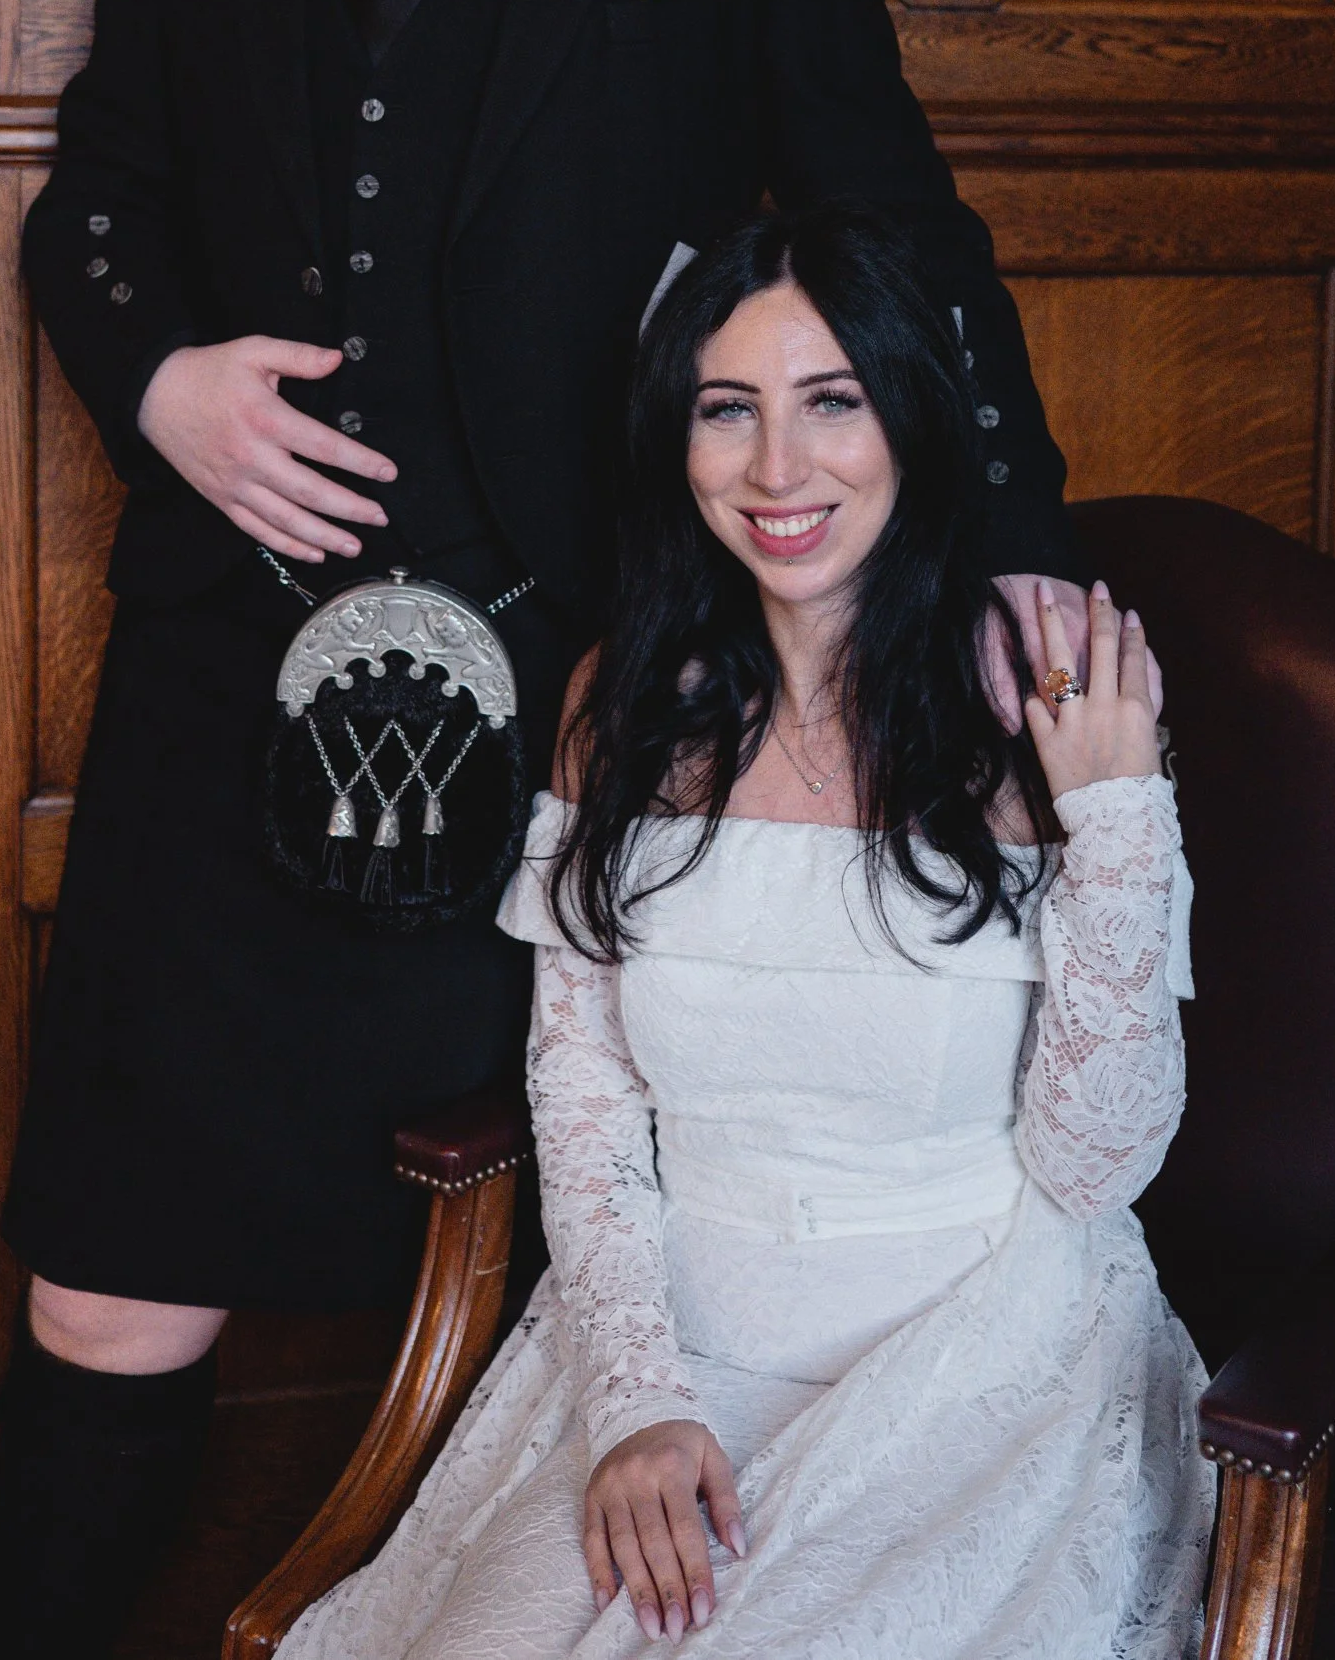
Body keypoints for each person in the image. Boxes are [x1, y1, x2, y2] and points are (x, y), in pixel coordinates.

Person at [0, 0, 1098, 1656]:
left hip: (597, 695)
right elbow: (93, 203)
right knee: (105, 1299)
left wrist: (1013, 544)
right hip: (225, 683)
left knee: (574, 1295)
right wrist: (162, 382)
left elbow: (887, 221)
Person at [282, 203, 1212, 1660]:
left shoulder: (1043, 689)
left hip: (982, 1361)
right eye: (730, 409)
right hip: (678, 1347)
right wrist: (638, 1401)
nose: (780, 468)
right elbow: (586, 1094)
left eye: (832, 401)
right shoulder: (622, 700)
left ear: (908, 417)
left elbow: (1099, 1165)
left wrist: (1118, 819)